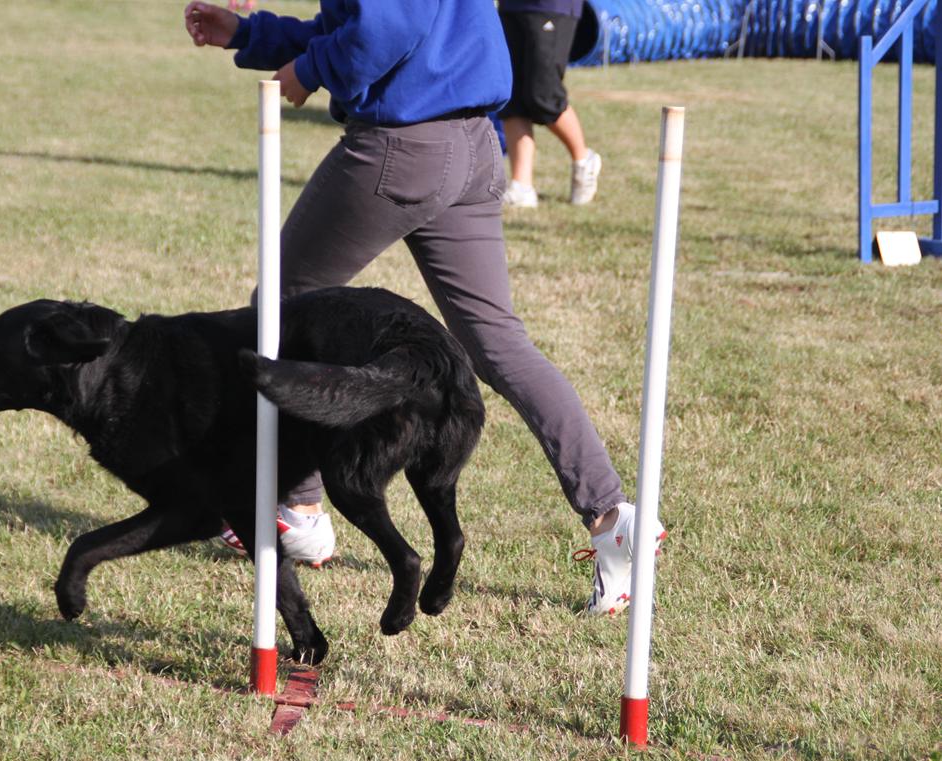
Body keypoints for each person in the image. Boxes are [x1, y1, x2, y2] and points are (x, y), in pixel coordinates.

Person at [183, 0, 663, 614]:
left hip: (400, 149)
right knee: (499, 343)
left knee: (279, 309)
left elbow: (388, 26)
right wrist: (250, 33)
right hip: (472, 147)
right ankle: (611, 515)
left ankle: (297, 511)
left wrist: (312, 69)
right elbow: (367, 22)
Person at [497, 0, 602, 208]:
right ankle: (521, 186)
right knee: (511, 96)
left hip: (552, 7)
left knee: (544, 96)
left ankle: (583, 158)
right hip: (511, 6)